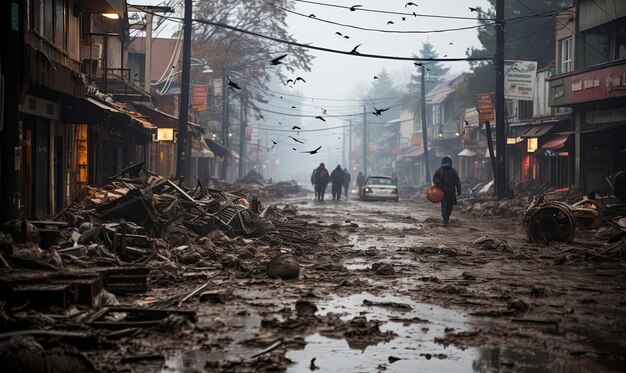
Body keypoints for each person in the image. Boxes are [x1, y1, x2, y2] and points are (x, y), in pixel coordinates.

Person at [432, 156, 462, 226]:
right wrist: (459, 190)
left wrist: (437, 182)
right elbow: (457, 181)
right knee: (449, 206)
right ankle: (446, 219)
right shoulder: (453, 171)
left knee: (444, 206)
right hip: (451, 192)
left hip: (442, 192)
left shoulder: (439, 170)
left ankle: (445, 219)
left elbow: (434, 178)